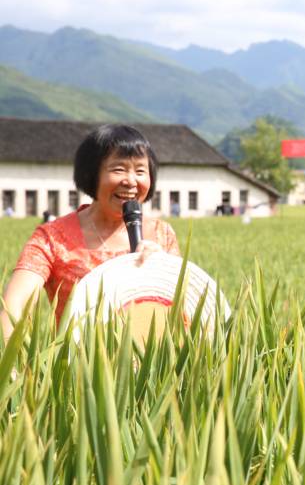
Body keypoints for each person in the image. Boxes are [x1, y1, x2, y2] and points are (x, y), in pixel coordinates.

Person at [1, 124, 181, 340]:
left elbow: (182, 308)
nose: (131, 181)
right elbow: (15, 307)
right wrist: (11, 368)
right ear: (91, 174)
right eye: (119, 169)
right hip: (78, 368)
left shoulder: (162, 234)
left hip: (150, 368)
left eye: (140, 171)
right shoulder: (52, 238)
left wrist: (161, 269)